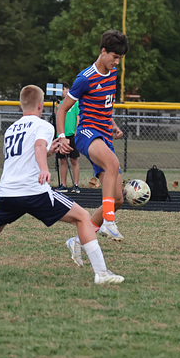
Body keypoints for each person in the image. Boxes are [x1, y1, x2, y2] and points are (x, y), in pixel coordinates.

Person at [0, 85, 124, 284]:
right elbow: (38, 146)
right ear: (40, 105)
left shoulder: (10, 129)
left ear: (21, 105)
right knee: (82, 217)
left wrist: (49, 152)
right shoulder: (44, 125)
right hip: (33, 191)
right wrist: (44, 168)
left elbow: (27, 154)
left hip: (7, 193)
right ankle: (102, 274)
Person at [55, 29, 128, 268]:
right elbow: (62, 110)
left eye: (120, 58)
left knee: (117, 198)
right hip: (86, 133)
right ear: (103, 51)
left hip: (104, 134)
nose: (117, 62)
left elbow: (104, 107)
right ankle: (108, 222)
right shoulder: (85, 78)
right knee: (113, 163)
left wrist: (113, 125)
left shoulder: (113, 73)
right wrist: (62, 137)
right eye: (114, 57)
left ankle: (77, 241)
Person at [55, 82, 81, 194]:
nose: (61, 92)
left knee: (74, 159)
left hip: (72, 134)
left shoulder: (75, 103)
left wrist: (76, 131)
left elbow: (78, 117)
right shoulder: (59, 103)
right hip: (61, 135)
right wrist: (57, 108)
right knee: (63, 160)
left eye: (62, 89)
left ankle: (76, 184)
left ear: (67, 89)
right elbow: (57, 117)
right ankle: (63, 184)